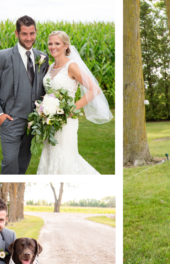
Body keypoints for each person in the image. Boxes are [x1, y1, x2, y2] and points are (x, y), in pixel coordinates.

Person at [35, 31, 113, 175]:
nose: (53, 47)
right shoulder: (49, 67)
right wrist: (43, 109)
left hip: (67, 120)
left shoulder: (71, 66)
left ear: (66, 46)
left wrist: (72, 108)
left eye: (57, 43)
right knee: (50, 153)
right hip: (50, 119)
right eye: (50, 43)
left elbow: (94, 90)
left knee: (65, 155)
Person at [0, 16, 50, 174]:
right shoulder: (3, 56)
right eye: (24, 34)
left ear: (36, 32)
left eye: (32, 33)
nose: (29, 38)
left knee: (23, 162)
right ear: (17, 33)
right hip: (10, 119)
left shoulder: (43, 58)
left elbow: (46, 87)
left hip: (33, 121)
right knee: (10, 161)